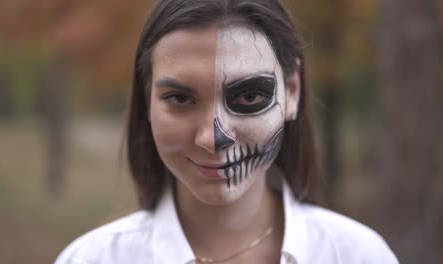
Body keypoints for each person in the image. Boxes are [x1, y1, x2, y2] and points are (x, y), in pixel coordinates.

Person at [56, 0, 399, 263]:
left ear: (292, 90)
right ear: (147, 100)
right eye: (179, 98)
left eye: (249, 96)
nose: (211, 138)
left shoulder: (358, 255)